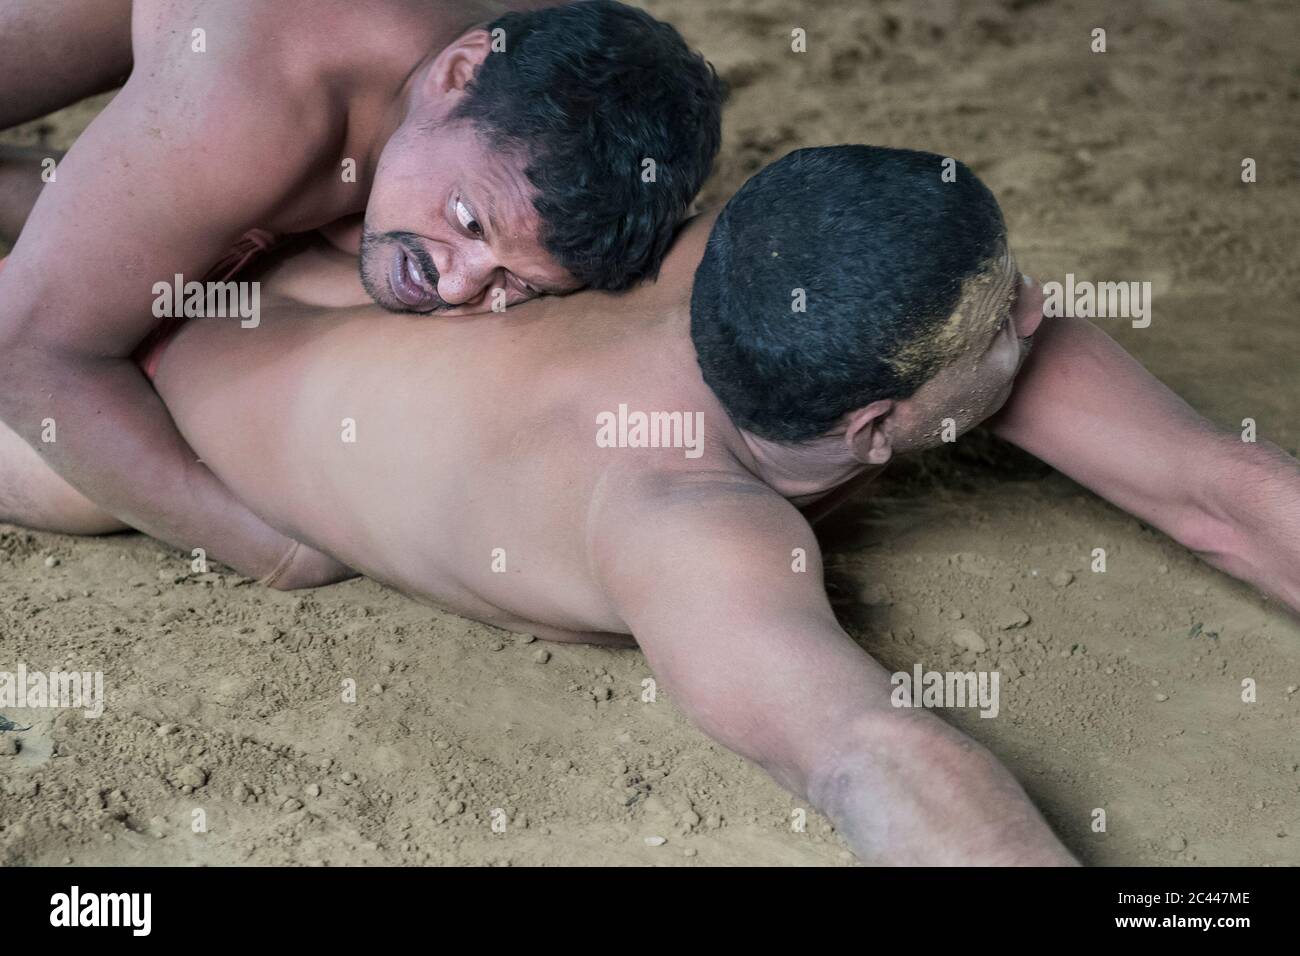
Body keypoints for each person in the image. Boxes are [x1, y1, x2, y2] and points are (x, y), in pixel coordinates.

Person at [3, 146, 1296, 863]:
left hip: (331, 310)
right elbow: (867, 753)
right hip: (152, 404)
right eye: (1005, 320)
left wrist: (994, 344)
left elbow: (1227, 493)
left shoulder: (784, 271)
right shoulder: (678, 519)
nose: (1036, 313)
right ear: (875, 430)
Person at [0, 0, 724, 585]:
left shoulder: (538, 83)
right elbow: (28, 355)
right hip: (226, 61)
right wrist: (283, 551)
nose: (457, 284)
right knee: (77, 469)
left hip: (231, 135)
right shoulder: (247, 109)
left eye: (516, 282)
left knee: (171, 227)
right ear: (457, 71)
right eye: (469, 220)